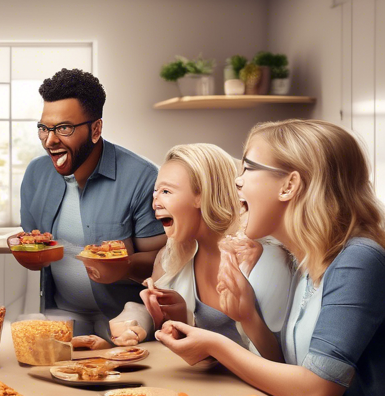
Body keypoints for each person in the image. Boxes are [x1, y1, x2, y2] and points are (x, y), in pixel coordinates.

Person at [157, 119, 385, 396]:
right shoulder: (307, 261)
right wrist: (248, 317)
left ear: (289, 185)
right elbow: (290, 373)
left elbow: (315, 394)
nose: (237, 180)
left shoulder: (358, 259)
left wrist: (216, 346)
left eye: (248, 168)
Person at [20, 69, 166, 345]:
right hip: (60, 316)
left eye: (63, 128)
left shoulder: (143, 177)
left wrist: (123, 265)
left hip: (127, 320)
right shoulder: (35, 174)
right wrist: (30, 254)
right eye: (44, 128)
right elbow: (34, 242)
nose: (50, 140)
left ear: (96, 129)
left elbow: (163, 262)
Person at [107, 143, 290, 361]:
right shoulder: (173, 257)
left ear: (202, 195)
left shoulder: (261, 257)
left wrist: (249, 317)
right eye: (155, 192)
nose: (155, 203)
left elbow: (285, 364)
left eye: (166, 191)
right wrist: (171, 320)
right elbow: (193, 349)